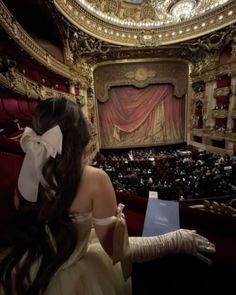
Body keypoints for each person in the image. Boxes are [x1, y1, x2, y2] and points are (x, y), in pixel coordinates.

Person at [0, 97, 216, 295]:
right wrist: (176, 240)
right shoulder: (94, 180)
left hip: (26, 270)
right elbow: (120, 251)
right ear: (81, 137)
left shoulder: (24, 178)